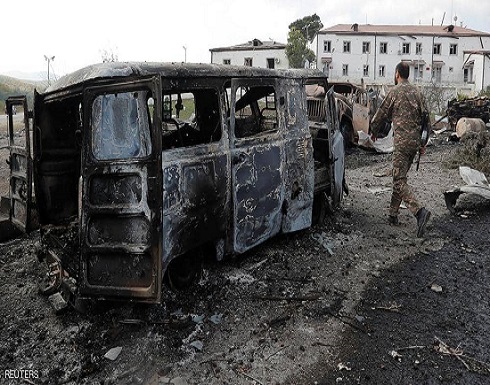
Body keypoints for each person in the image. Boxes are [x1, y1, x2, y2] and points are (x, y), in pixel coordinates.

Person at [370, 62, 431, 238]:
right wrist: (423, 142)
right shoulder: (418, 93)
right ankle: (393, 214)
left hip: (402, 144)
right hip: (414, 145)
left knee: (398, 180)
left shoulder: (395, 92)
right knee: (401, 176)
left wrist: (373, 131)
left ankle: (419, 212)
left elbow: (380, 113)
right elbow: (426, 120)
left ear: (397, 73)